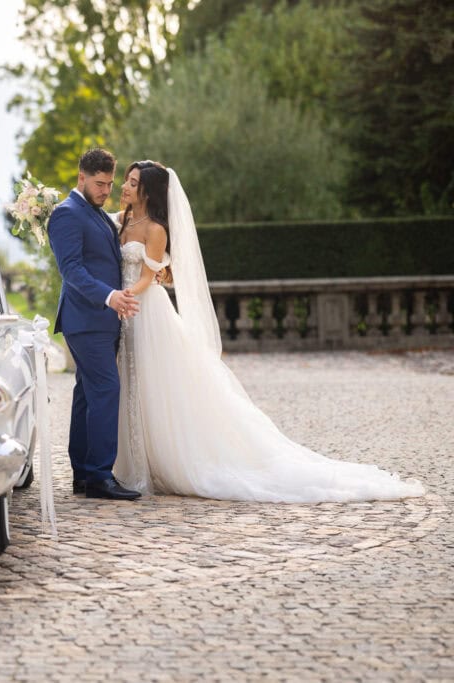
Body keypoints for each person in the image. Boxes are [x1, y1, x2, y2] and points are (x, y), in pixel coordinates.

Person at [111, 160, 425, 502]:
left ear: (148, 191)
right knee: (131, 380)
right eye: (126, 180)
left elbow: (147, 276)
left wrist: (125, 297)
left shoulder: (156, 229)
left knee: (157, 383)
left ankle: (170, 456)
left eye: (132, 182)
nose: (124, 186)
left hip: (146, 309)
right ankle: (130, 457)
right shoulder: (122, 219)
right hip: (123, 307)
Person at [47, 149, 141, 500]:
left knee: (87, 394)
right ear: (80, 178)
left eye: (109, 184)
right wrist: (109, 297)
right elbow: (72, 271)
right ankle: (101, 475)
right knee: (106, 390)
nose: (105, 190)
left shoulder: (98, 214)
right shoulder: (66, 214)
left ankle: (85, 475)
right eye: (99, 184)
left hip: (100, 321)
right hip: (86, 320)